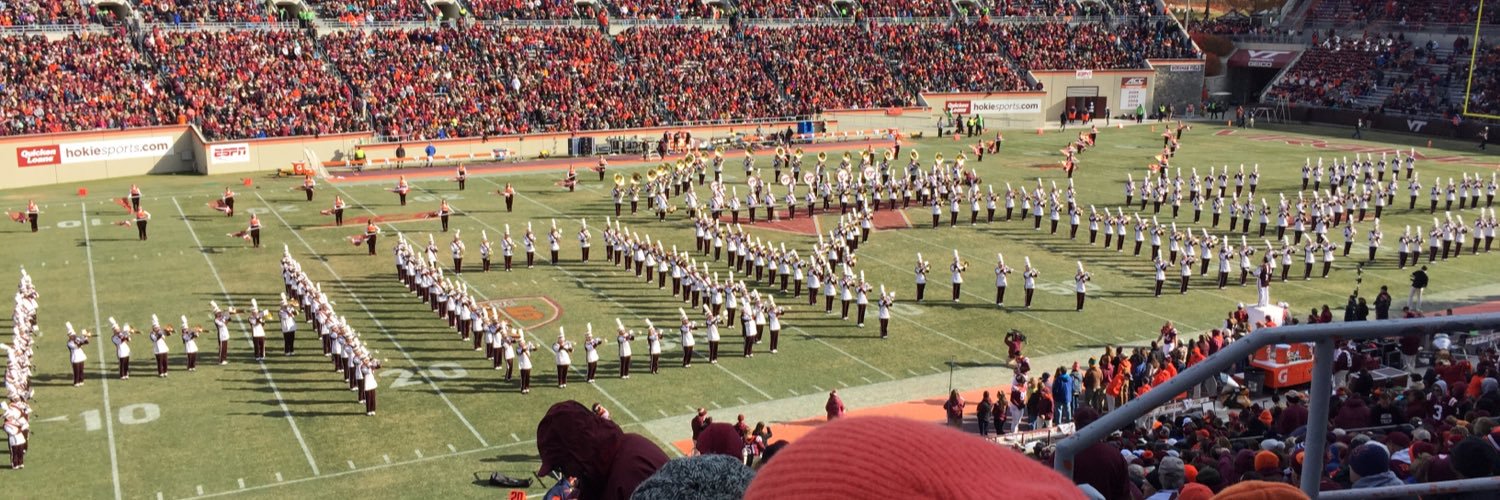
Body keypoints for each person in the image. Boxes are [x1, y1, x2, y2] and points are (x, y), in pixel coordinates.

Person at [535, 401, 667, 500]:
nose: (566, 474)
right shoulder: (605, 466)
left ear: (576, 454)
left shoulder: (631, 475)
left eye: (561, 467)